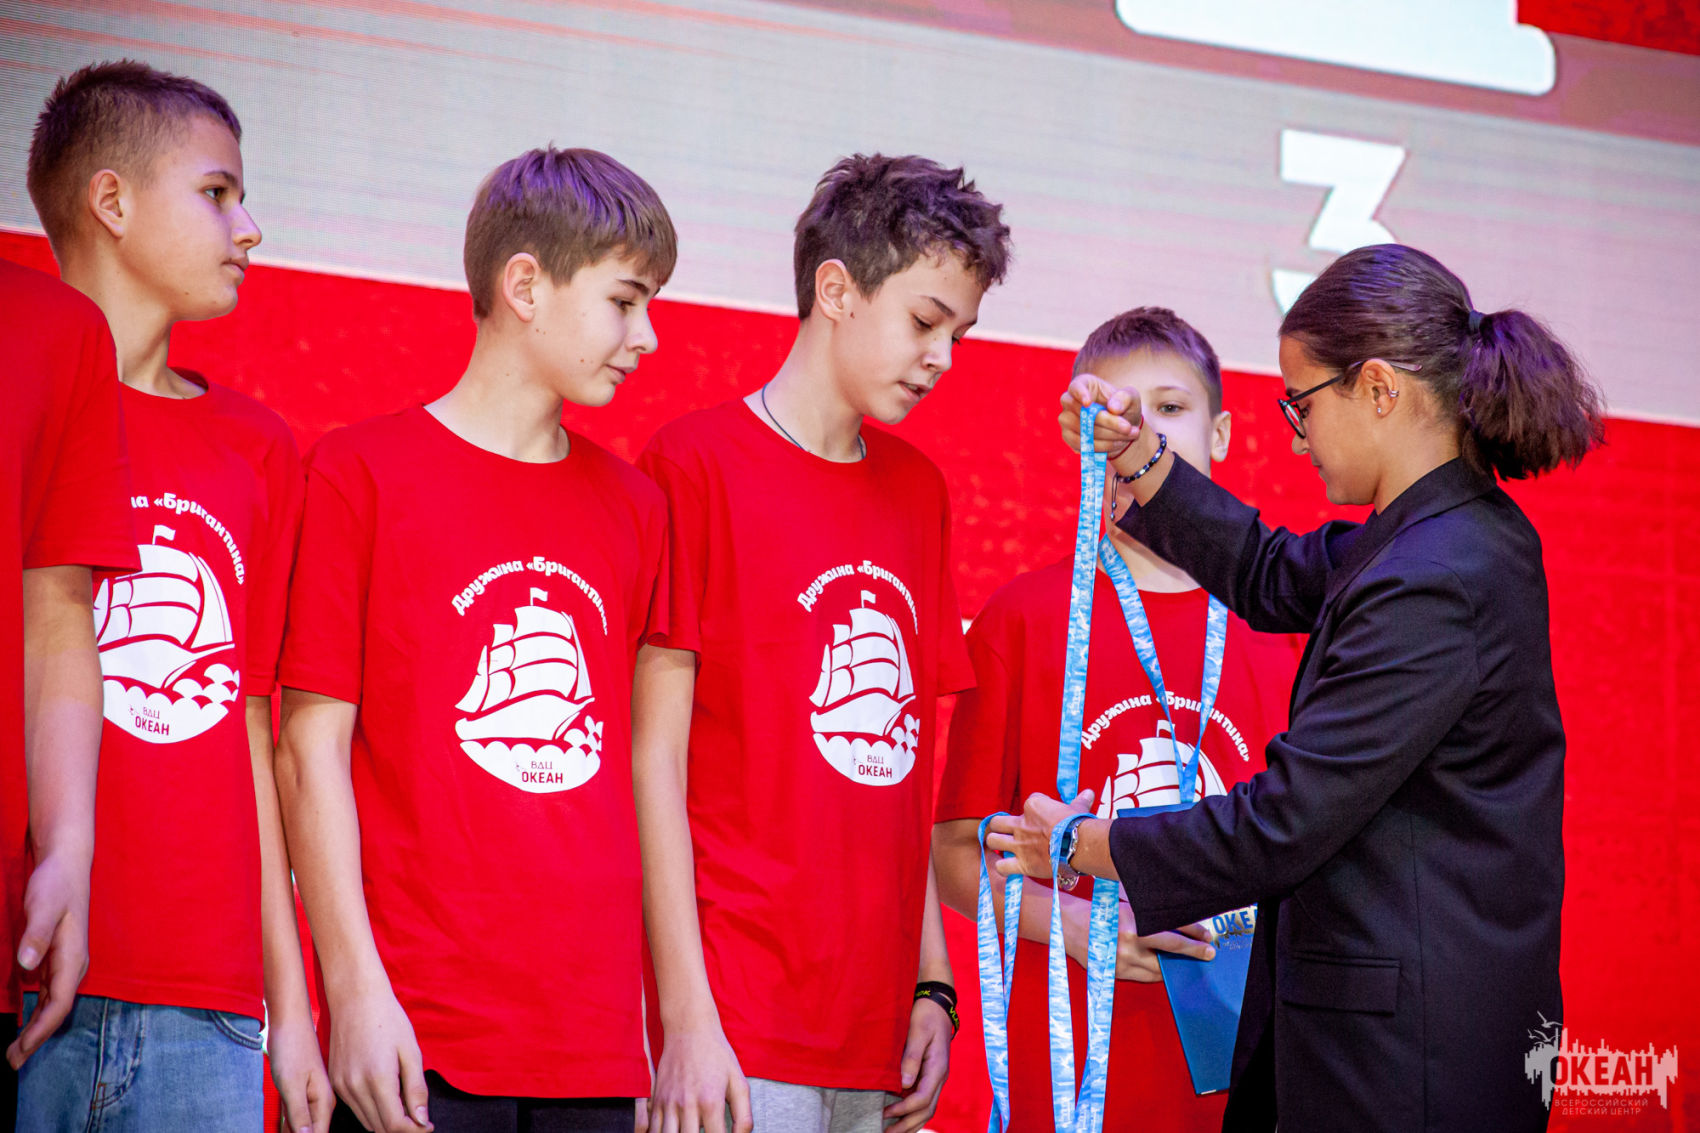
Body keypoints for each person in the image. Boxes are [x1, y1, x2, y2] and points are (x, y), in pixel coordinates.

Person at [992, 243, 1601, 1131]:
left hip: (1406, 1067)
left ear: (1379, 389)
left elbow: (1283, 822)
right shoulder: (1433, 536)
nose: (1296, 434)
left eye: (1302, 404)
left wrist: (1081, 842)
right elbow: (1269, 568)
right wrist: (1139, 454)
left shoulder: (1438, 573)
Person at [275, 146, 675, 1133]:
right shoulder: (358, 474)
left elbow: (634, 774)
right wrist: (352, 990)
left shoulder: (636, 508)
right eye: (625, 301)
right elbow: (309, 751)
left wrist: (648, 1029)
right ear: (524, 285)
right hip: (416, 1038)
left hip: (592, 1049)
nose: (648, 336)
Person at [635, 153, 1009, 1133]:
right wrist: (684, 1018)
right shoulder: (693, 466)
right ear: (835, 290)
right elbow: (651, 759)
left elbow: (900, 765)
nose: (942, 357)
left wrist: (932, 986)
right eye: (925, 321)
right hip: (738, 1020)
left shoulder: (918, 491)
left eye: (960, 334)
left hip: (877, 1032)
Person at [15, 60, 327, 1133]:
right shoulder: (20, 402)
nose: (250, 227)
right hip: (27, 968)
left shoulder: (260, 449)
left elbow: (251, 728)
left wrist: (290, 1006)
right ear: (110, 200)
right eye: (217, 192)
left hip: (211, 1008)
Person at [933, 308, 1301, 1132]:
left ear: (1223, 432)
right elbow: (954, 854)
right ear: (1082, 437)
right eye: (1116, 414)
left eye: (1169, 407)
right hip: (1068, 1084)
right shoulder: (1023, 619)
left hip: (1245, 1078)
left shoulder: (1279, 633)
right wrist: (1080, 928)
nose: (1142, 432)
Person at [0, 259, 137, 1132]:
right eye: (216, 197)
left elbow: (56, 614)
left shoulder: (58, 328)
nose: (248, 229)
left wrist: (67, 849)